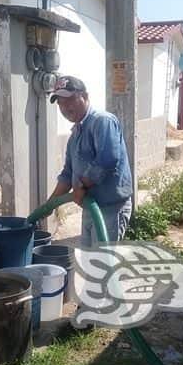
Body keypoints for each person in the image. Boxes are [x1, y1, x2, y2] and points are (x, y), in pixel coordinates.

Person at [47, 75, 133, 247]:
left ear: (85, 97)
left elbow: (107, 160)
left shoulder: (102, 121)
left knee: (103, 264)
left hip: (110, 208)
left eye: (69, 100)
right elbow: (67, 174)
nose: (64, 107)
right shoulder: (76, 134)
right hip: (90, 206)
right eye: (60, 103)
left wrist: (82, 187)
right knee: (90, 261)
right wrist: (49, 205)